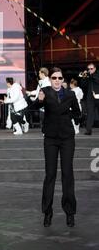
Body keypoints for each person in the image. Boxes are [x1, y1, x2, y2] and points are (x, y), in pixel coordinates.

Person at [37, 67, 81, 228]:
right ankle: (47, 212)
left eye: (59, 78)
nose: (56, 80)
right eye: (54, 78)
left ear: (63, 80)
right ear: (50, 79)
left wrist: (69, 116)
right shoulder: (45, 91)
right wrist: (40, 100)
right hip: (50, 138)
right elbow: (33, 106)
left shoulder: (70, 94)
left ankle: (70, 213)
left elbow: (77, 113)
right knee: (50, 175)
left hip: (67, 138)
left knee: (67, 174)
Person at [78, 62, 99, 135]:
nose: (89, 70)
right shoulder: (88, 76)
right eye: (88, 69)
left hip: (98, 95)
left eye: (91, 68)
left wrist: (90, 75)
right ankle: (88, 130)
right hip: (90, 97)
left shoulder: (97, 74)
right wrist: (84, 78)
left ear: (95, 69)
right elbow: (83, 86)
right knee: (90, 113)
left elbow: (97, 80)